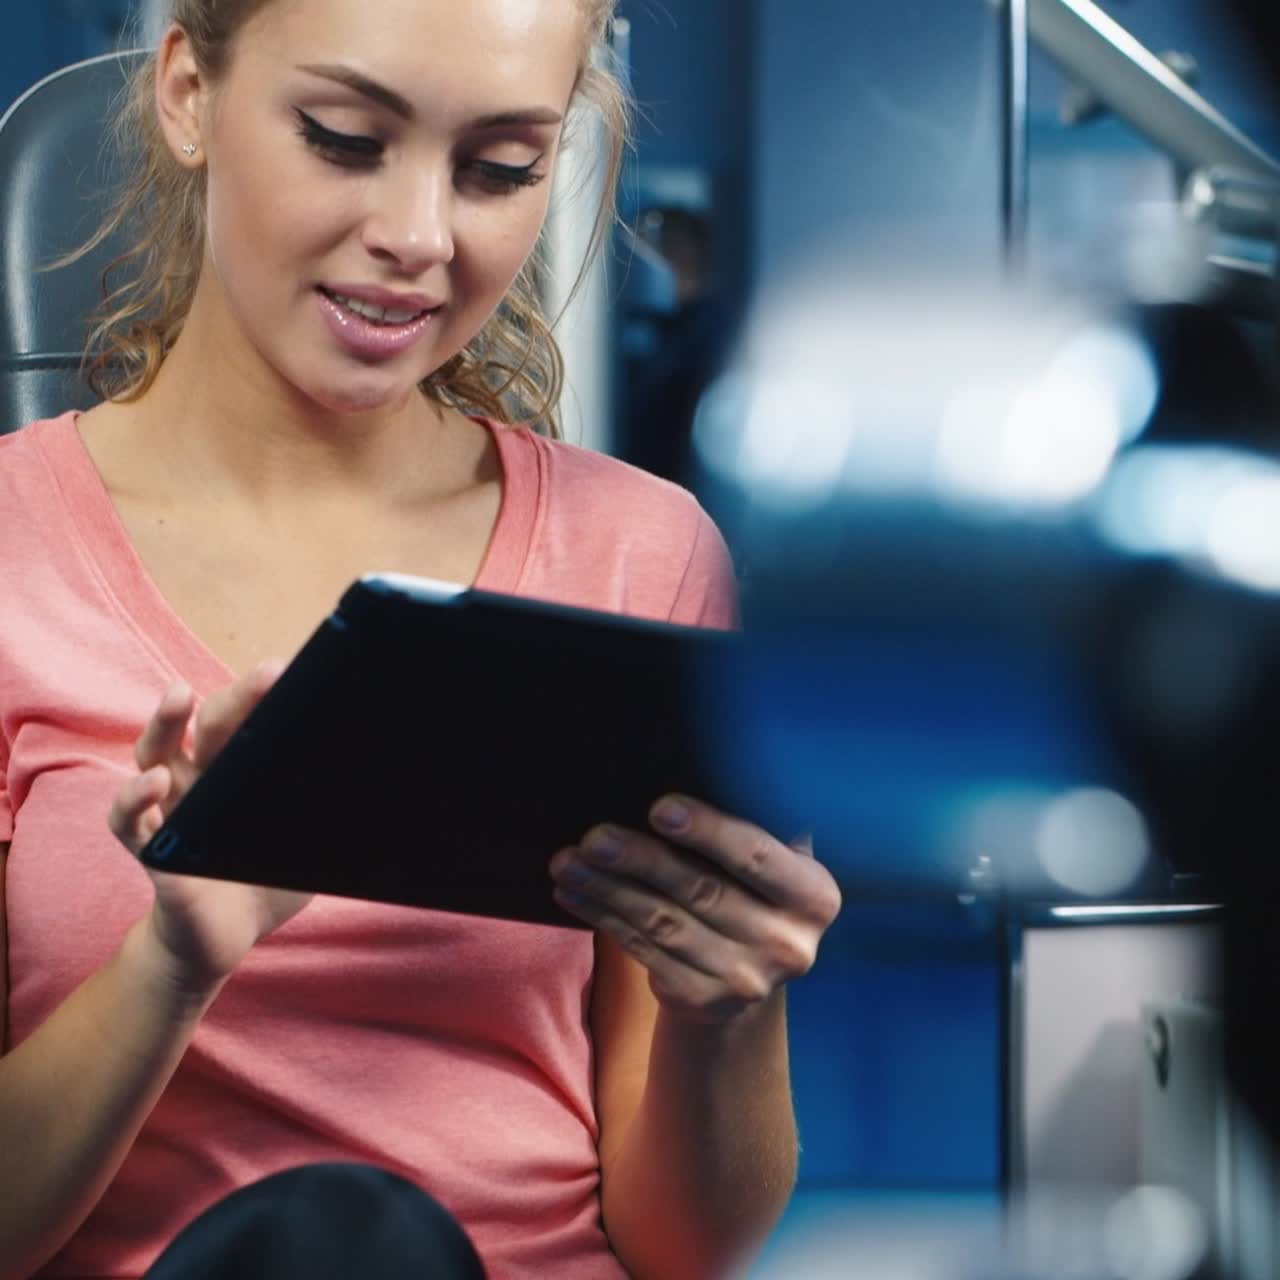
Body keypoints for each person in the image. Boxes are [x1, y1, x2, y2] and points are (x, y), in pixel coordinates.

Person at [0, 2, 842, 1277]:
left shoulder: (641, 556)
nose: (418, 237)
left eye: (500, 170)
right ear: (186, 93)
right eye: (343, 138)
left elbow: (678, 1248)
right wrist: (168, 963)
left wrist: (730, 1007)